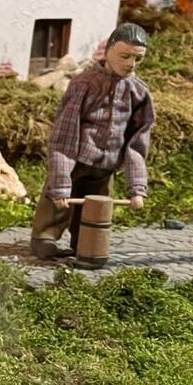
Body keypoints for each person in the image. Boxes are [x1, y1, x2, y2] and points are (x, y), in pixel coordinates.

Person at [30, 23, 154, 260]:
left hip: (106, 166)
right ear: (108, 51)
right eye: (124, 56)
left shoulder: (138, 92)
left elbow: (137, 142)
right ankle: (45, 237)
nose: (130, 63)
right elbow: (64, 134)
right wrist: (60, 182)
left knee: (97, 208)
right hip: (77, 157)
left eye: (137, 59)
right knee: (57, 199)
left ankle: (86, 243)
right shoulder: (84, 84)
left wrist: (137, 188)